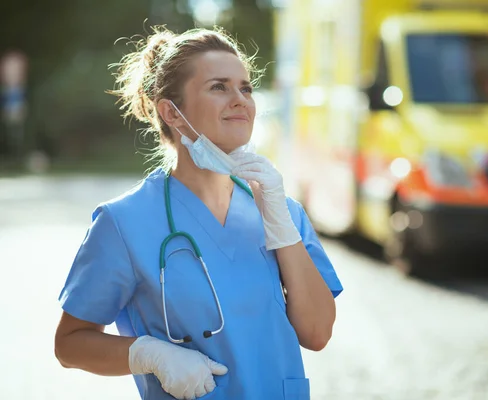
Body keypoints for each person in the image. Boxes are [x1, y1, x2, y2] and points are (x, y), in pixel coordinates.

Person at [54, 26, 343, 400]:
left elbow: (317, 334)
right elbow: (70, 344)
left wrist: (282, 227)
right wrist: (148, 355)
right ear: (171, 112)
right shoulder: (124, 223)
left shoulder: (281, 211)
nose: (240, 100)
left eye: (246, 87)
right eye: (219, 87)